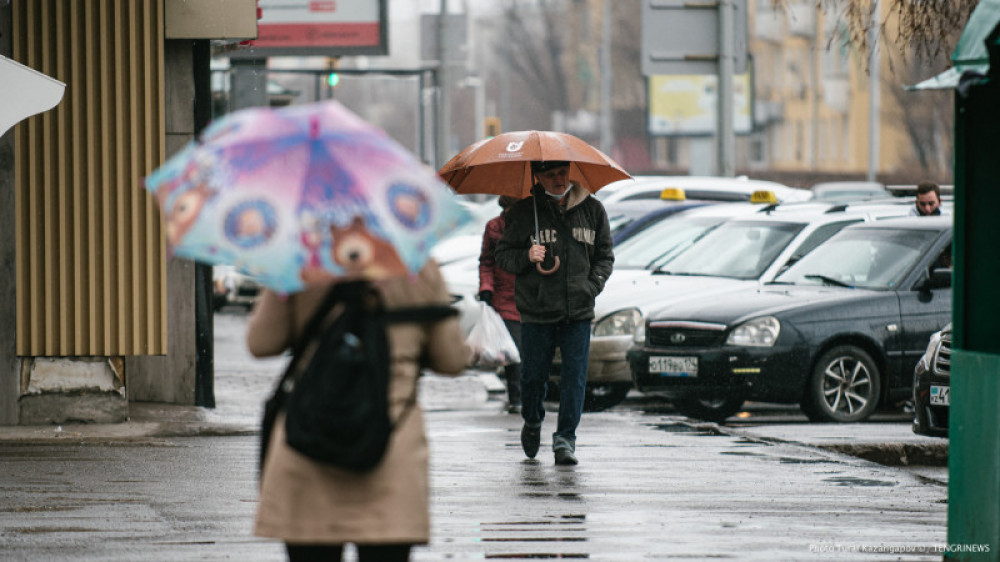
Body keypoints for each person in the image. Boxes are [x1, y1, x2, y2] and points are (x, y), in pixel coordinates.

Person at [246, 262, 469, 562]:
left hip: (309, 444)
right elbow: (450, 360)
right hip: (391, 449)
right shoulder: (417, 266)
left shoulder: (301, 263)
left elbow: (262, 343)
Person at [495, 161, 614, 466]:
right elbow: (503, 257)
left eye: (562, 173)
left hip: (578, 309)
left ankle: (565, 440)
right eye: (551, 175)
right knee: (533, 377)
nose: (559, 180)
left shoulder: (593, 210)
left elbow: (605, 255)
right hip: (537, 310)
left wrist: (592, 286)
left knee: (575, 378)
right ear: (538, 177)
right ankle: (533, 421)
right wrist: (526, 256)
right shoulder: (524, 213)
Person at [479, 195, 523, 414]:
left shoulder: (535, 224)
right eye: (508, 207)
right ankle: (517, 398)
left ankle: (532, 396)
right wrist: (486, 288)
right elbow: (486, 261)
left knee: (532, 351)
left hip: (532, 296)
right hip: (505, 298)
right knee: (513, 351)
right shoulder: (493, 227)